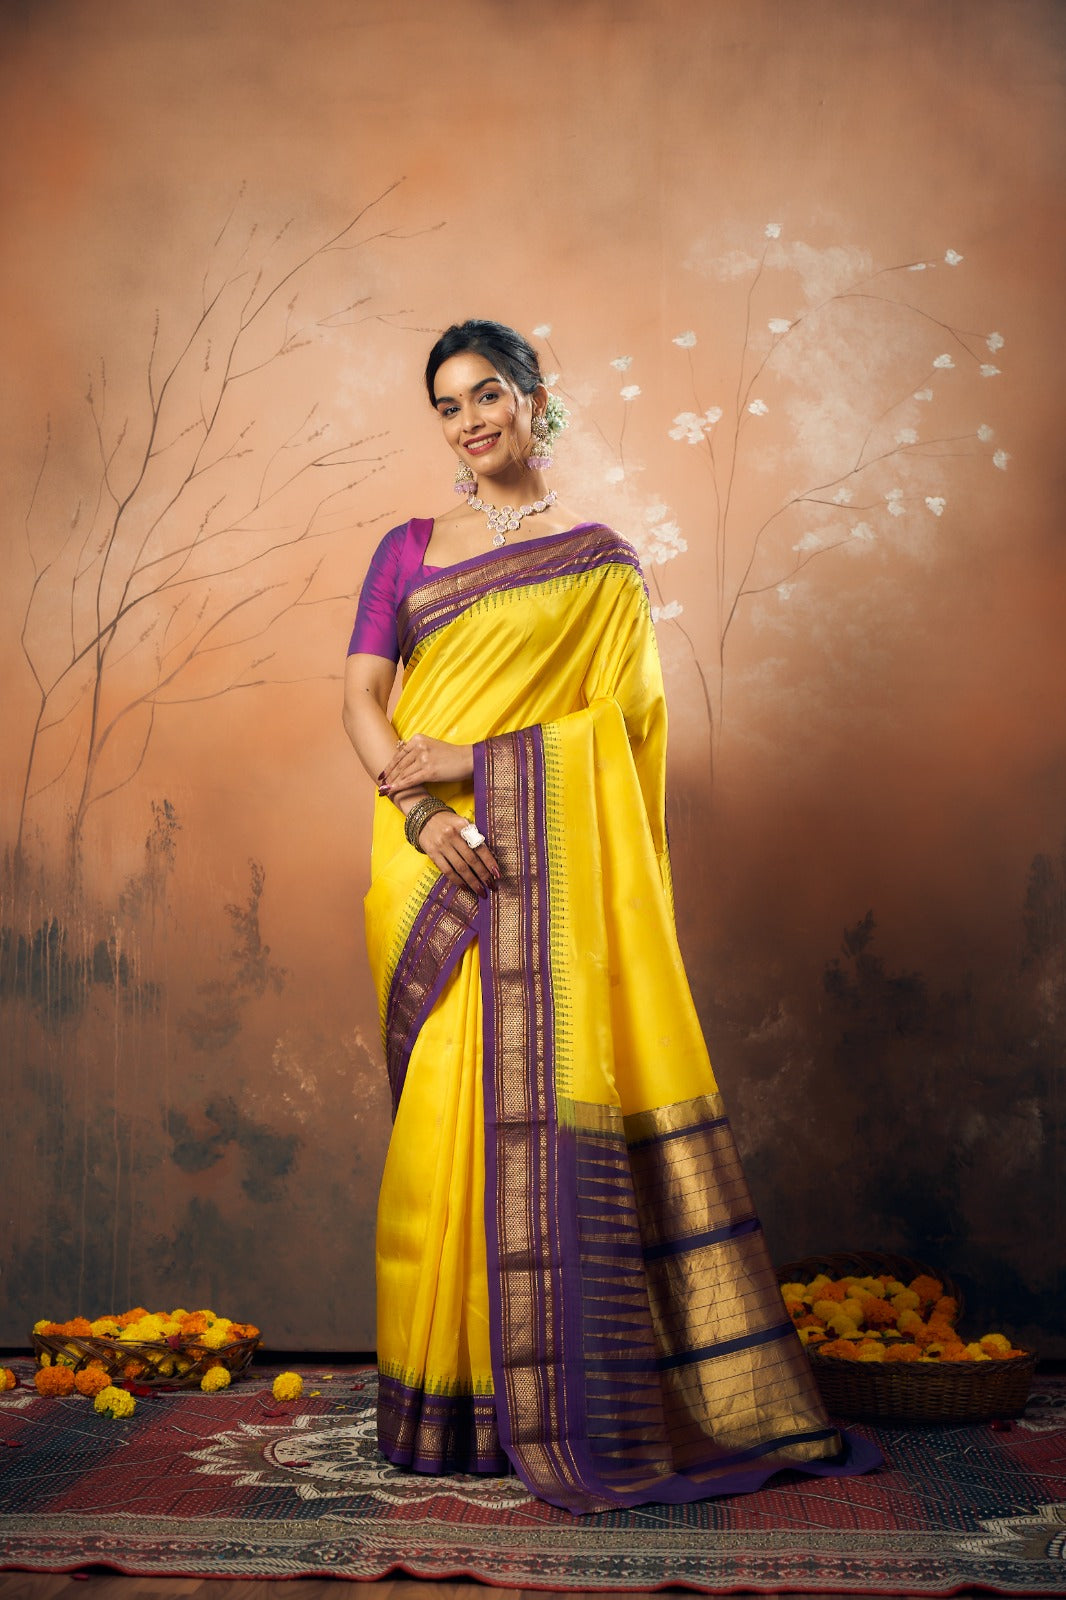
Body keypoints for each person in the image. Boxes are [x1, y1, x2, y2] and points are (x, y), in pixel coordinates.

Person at [342, 319, 881, 1514]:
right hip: (434, 860)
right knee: (442, 1127)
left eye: (489, 394)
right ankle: (446, 1399)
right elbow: (363, 698)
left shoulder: (602, 563)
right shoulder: (407, 548)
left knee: (537, 1108)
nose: (470, 421)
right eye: (448, 405)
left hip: (543, 869)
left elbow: (626, 739)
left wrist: (481, 760)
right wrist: (424, 814)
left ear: (537, 399)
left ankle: (544, 1400)